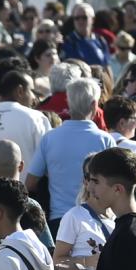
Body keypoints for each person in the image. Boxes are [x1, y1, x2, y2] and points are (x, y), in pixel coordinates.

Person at [27, 77, 113, 222]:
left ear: (69, 102)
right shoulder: (105, 139)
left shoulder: (49, 138)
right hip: (95, 219)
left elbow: (30, 183)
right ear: (94, 105)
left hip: (59, 219)